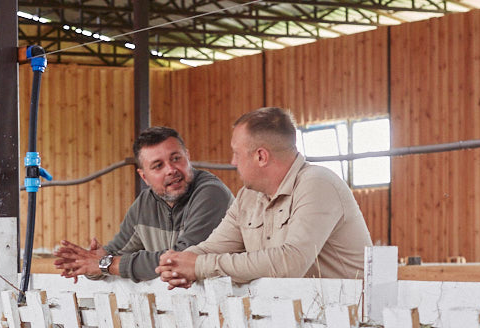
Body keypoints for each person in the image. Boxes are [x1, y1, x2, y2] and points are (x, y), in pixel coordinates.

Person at [158, 107, 372, 289]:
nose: (233, 162)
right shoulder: (247, 196)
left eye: (236, 153)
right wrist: (176, 263)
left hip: (348, 324)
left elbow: (290, 262)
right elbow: (214, 246)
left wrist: (197, 267)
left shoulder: (318, 183)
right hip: (296, 321)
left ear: (261, 156)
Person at [53, 126, 232, 282]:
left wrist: (105, 264)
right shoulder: (145, 204)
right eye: (158, 166)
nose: (171, 170)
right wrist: (86, 263)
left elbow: (182, 259)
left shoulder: (211, 193)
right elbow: (111, 255)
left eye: (176, 158)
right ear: (144, 176)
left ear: (188, 157)